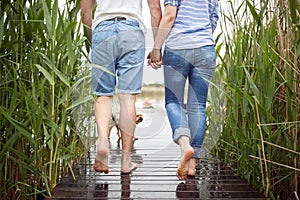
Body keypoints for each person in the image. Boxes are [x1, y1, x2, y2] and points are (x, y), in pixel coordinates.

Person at [80, 0, 161, 174]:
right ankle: (126, 161)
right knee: (127, 98)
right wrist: (157, 46)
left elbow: (85, 13)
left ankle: (103, 142)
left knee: (103, 96)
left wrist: (94, 42)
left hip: (102, 29)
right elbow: (155, 8)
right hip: (131, 30)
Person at [148, 0, 219, 180]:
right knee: (198, 106)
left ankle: (185, 145)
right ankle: (192, 164)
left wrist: (156, 48)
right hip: (205, 47)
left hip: (178, 47)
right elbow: (213, 20)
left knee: (173, 101)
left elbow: (170, 15)